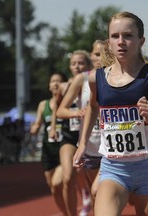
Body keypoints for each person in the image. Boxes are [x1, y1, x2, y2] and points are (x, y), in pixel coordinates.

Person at [73, 12, 148, 216]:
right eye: (115, 36)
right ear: (109, 41)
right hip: (114, 168)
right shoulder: (96, 78)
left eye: (128, 36)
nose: (121, 42)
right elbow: (93, 107)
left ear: (141, 41)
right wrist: (82, 144)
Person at [57, 40, 106, 216]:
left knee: (108, 193)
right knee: (96, 194)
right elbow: (61, 110)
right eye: (96, 54)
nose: (100, 58)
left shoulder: (118, 77)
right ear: (91, 56)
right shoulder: (82, 79)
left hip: (113, 146)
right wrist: (78, 112)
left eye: (104, 53)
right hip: (91, 147)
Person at [50, 50, 92, 216]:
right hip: (69, 135)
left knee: (90, 179)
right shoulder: (64, 86)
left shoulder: (94, 82)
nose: (77, 66)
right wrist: (54, 126)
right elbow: (57, 110)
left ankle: (87, 193)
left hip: (88, 136)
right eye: (73, 63)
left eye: (81, 63)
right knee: (67, 178)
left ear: (88, 65)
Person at [30, 72, 68, 215]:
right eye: (53, 81)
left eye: (59, 81)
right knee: (53, 188)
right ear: (49, 86)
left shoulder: (68, 102)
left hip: (63, 148)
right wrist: (34, 129)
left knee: (58, 183)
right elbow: (38, 124)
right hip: (48, 151)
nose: (56, 84)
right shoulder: (43, 105)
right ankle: (67, 212)